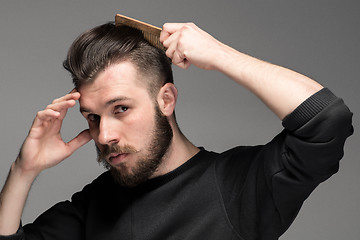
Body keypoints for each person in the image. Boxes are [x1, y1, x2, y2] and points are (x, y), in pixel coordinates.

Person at [0, 21, 353, 240]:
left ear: (166, 99)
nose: (104, 135)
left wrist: (219, 54)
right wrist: (22, 171)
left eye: (120, 109)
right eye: (92, 117)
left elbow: (325, 120)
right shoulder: (96, 204)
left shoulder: (237, 187)